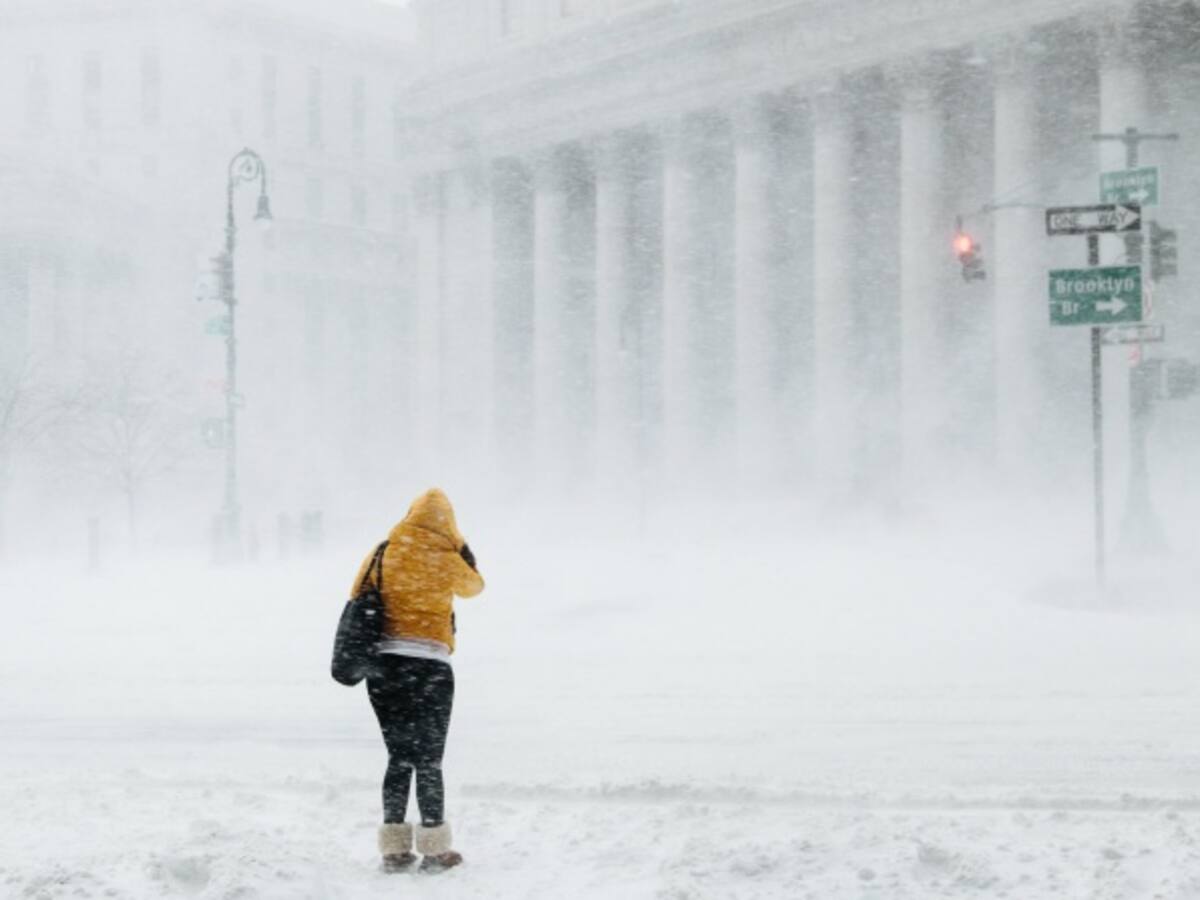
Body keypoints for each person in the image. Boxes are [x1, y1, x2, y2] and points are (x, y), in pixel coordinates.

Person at [349, 488, 484, 873]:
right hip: (430, 669)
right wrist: (463, 553)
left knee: (398, 758)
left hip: (386, 669)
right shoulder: (445, 557)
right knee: (429, 760)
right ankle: (436, 849)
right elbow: (475, 588)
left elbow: (357, 592)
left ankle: (393, 849)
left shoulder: (384, 550)